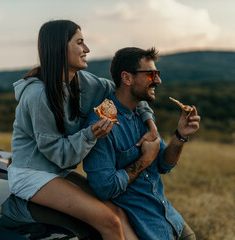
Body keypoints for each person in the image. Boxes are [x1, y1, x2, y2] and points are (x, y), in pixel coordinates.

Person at [9, 20, 158, 240]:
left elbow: (126, 93)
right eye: (80, 43)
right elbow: (60, 155)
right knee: (109, 221)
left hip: (55, 172)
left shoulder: (84, 82)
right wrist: (90, 135)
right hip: (31, 174)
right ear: (60, 48)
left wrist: (149, 122)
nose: (87, 49)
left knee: (118, 212)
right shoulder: (38, 95)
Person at [83, 47, 201, 240]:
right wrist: (145, 159)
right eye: (151, 74)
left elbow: (163, 164)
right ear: (127, 78)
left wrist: (180, 136)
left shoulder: (143, 116)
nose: (158, 80)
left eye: (157, 74)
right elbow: (104, 188)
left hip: (171, 220)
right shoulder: (101, 123)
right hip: (144, 229)